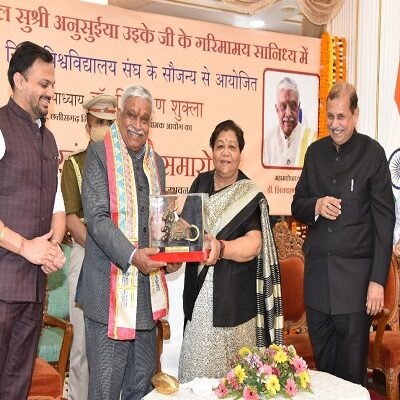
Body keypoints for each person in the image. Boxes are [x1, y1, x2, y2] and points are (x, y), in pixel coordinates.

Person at [76, 85, 181, 400]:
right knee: (105, 390)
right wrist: (133, 255)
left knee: (142, 389)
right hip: (108, 299)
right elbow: (96, 218)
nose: (138, 124)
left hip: (145, 302)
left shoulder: (156, 162)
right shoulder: (98, 154)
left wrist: (171, 250)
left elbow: (159, 217)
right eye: (132, 115)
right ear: (119, 116)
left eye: (145, 118)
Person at [291, 82, 395, 386]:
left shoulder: (373, 154)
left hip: (355, 289)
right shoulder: (314, 153)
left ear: (356, 115)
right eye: (330, 117)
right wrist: (317, 205)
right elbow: (297, 205)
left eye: (342, 117)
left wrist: (377, 281)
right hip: (318, 287)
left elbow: (384, 222)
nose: (335, 125)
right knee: (322, 378)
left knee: (350, 379)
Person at [178, 119, 283, 383]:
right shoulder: (200, 184)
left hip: (235, 304)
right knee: (195, 379)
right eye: (220, 146)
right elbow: (189, 232)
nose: (226, 152)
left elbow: (254, 244)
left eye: (232, 147)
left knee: (234, 384)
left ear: (240, 153)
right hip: (199, 299)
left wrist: (221, 247)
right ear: (212, 150)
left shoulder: (249, 194)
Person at [0, 41, 66, 399]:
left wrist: (52, 246)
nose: (50, 92)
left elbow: (55, 200)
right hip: (2, 284)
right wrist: (26, 247)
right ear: (19, 81)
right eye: (43, 84)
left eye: (52, 85)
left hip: (34, 289)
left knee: (16, 385)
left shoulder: (50, 138)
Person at [61, 94, 117, 400]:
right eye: (99, 123)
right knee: (81, 344)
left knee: (116, 342)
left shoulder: (125, 167)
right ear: (87, 125)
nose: (105, 129)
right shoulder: (74, 165)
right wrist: (105, 249)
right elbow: (71, 220)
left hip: (122, 262)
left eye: (110, 123)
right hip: (87, 257)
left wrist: (119, 252)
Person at [263, 77, 316, 167]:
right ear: (277, 109)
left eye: (292, 106)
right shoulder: (267, 142)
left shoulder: (312, 140)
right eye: (283, 106)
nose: (288, 113)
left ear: (298, 107)